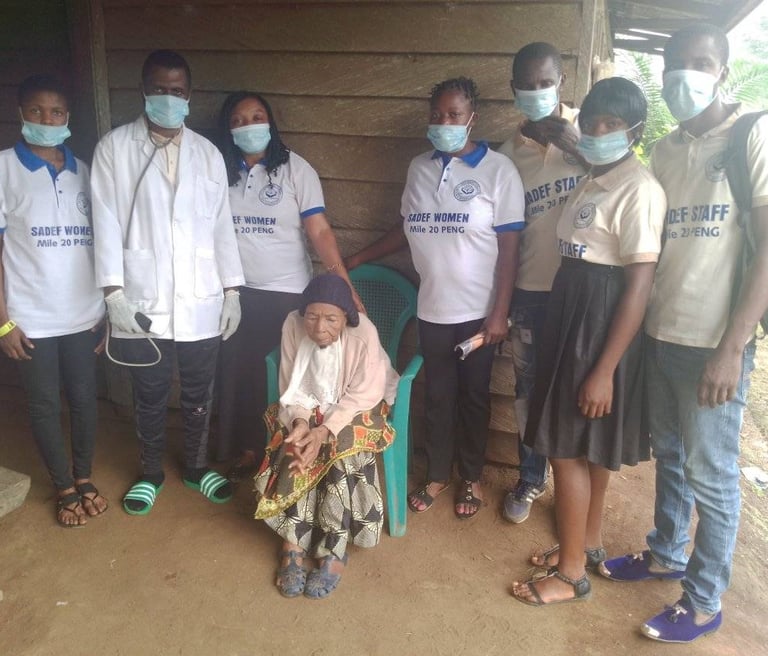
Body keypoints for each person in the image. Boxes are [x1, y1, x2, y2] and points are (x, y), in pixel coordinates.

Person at [599, 24, 768, 643]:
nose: (684, 74)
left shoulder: (753, 134)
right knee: (669, 455)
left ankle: (702, 601)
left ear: (722, 70)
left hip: (712, 344)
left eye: (701, 62)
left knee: (712, 475)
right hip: (661, 332)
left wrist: (732, 348)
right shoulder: (666, 152)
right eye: (675, 61)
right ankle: (666, 552)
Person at [511, 77, 666, 606]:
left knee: (565, 449)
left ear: (635, 131)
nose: (599, 132)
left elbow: (639, 284)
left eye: (612, 124)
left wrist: (603, 370)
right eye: (593, 122)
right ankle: (586, 543)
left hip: (600, 324)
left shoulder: (638, 189)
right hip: (574, 312)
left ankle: (571, 575)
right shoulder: (592, 180)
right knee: (588, 445)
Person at [346, 77, 525, 519]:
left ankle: (472, 476)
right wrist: (358, 258)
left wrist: (499, 313)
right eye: (437, 115)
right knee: (438, 395)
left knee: (474, 397)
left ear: (472, 119)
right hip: (433, 308)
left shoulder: (498, 170)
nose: (444, 123)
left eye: (454, 115)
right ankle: (438, 473)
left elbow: (510, 249)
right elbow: (406, 229)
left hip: (479, 313)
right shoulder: (419, 168)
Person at [91, 50, 245, 515]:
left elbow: (221, 227)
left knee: (199, 392)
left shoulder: (208, 153)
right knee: (150, 392)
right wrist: (113, 293)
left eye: (177, 90)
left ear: (189, 95)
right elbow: (105, 221)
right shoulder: (115, 148)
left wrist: (232, 290)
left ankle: (196, 466)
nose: (168, 97)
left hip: (201, 297)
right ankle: (150, 472)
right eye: (159, 88)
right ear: (143, 90)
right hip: (141, 299)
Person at [215, 91, 362, 480]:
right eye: (238, 120)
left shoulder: (295, 169)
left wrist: (343, 283)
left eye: (256, 117)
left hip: (287, 293)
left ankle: (283, 449)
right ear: (228, 129)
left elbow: (319, 230)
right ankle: (249, 449)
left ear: (271, 122)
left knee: (286, 377)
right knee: (241, 374)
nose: (248, 126)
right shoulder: (218, 170)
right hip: (234, 291)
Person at [0, 74, 107, 527]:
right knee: (44, 404)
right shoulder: (5, 169)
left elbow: (104, 244)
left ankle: (84, 475)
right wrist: (3, 321)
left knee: (84, 400)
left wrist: (107, 309)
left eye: (57, 112)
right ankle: (63, 486)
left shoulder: (85, 171)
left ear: (68, 117)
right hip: (31, 319)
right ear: (20, 114)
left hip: (84, 315)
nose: (47, 120)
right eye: (37, 111)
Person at [254, 273, 398, 599]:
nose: (319, 328)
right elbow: (291, 386)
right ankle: (293, 541)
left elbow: (365, 394)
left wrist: (324, 431)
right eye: (312, 316)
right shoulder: (292, 325)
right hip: (307, 405)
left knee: (340, 449)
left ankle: (334, 547)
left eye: (330, 319)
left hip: (359, 403)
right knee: (292, 444)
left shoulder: (363, 333)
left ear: (345, 318)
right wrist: (301, 424)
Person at [497, 42, 587, 524]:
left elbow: (624, 187)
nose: (537, 92)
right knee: (528, 391)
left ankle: (575, 490)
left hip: (583, 292)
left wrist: (580, 149)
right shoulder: (507, 155)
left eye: (546, 83)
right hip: (530, 292)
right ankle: (531, 478)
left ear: (562, 82)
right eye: (527, 85)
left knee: (579, 389)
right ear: (513, 89)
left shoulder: (592, 133)